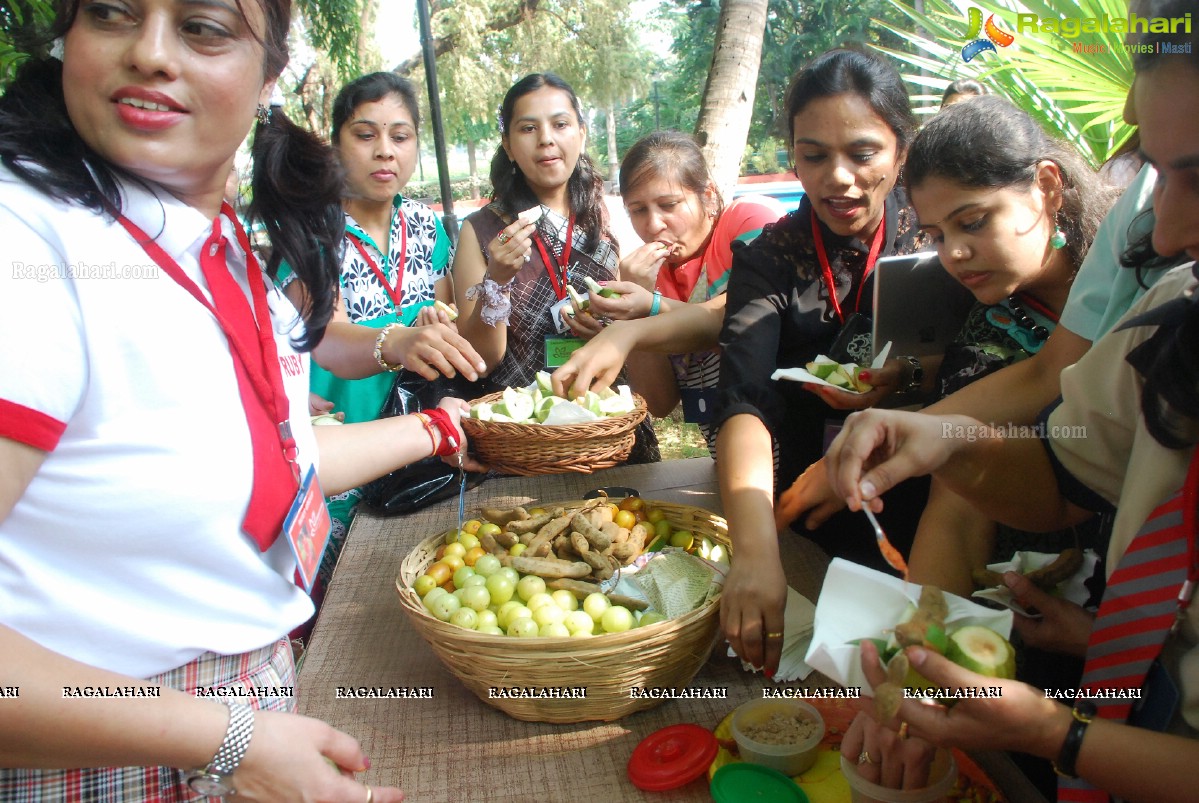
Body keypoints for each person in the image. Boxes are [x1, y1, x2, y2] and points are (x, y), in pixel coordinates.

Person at [0, 1, 481, 798]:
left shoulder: (208, 243)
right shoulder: (30, 245)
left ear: (270, 75)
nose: (151, 54)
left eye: (203, 27)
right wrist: (228, 737)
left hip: (245, 716)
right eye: (113, 13)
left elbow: (268, 466)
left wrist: (439, 425)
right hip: (102, 758)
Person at [829, 19, 1199, 799]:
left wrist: (1055, 734)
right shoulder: (1177, 312)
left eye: (1196, 177)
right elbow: (1063, 475)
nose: (1162, 229)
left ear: (1047, 189)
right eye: (1159, 177)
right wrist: (945, 439)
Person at [714, 48, 930, 676]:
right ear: (793, 156)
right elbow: (744, 402)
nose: (838, 177)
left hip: (926, 502)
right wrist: (754, 554)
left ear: (901, 151)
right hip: (804, 514)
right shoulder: (769, 257)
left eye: (862, 153)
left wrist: (907, 385)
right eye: (814, 155)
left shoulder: (937, 238)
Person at [280, 71, 484, 583]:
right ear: (336, 144)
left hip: (419, 447)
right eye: (365, 134)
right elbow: (324, 334)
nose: (384, 152)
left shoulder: (425, 224)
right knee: (341, 607)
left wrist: (436, 321)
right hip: (341, 451)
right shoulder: (310, 230)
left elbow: (443, 310)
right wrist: (397, 339)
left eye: (400, 135)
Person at [452, 72, 657, 460]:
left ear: (580, 133)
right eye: (528, 128)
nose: (546, 138)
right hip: (524, 438)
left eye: (560, 124)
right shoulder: (481, 231)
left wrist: (607, 328)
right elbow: (481, 359)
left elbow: (634, 320)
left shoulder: (607, 217)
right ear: (508, 146)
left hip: (606, 428)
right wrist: (497, 279)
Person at [552, 131, 784, 451]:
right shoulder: (651, 277)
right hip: (729, 461)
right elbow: (658, 402)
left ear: (709, 196)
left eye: (669, 204)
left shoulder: (749, 219)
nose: (654, 224)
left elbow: (745, 317)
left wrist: (649, 310)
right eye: (638, 210)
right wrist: (629, 314)